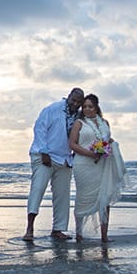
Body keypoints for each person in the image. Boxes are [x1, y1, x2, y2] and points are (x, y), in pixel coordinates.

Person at [24, 88, 85, 242]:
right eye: (74, 100)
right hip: (45, 155)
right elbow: (39, 129)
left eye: (79, 102)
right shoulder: (53, 109)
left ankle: (58, 229)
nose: (75, 104)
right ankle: (29, 228)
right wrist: (44, 152)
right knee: (37, 190)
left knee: (62, 196)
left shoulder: (78, 116)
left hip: (64, 159)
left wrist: (74, 156)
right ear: (69, 97)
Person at [69, 93, 127, 246]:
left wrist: (109, 146)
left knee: (105, 197)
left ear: (96, 107)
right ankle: (79, 233)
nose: (87, 109)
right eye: (85, 107)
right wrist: (91, 153)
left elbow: (107, 139)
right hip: (83, 164)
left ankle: (104, 235)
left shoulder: (105, 123)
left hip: (102, 164)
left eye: (90, 106)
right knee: (83, 198)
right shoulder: (79, 123)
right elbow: (72, 144)